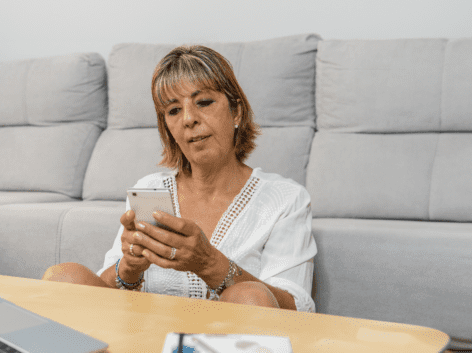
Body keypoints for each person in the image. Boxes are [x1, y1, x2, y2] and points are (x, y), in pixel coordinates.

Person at [42, 45, 317, 311]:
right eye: (173, 110)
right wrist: (129, 267)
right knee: (64, 277)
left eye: (204, 102)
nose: (188, 119)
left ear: (237, 111)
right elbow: (108, 291)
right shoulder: (151, 190)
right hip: (142, 337)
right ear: (168, 128)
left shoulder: (284, 199)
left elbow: (295, 307)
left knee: (250, 297)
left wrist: (210, 264)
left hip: (222, 343)